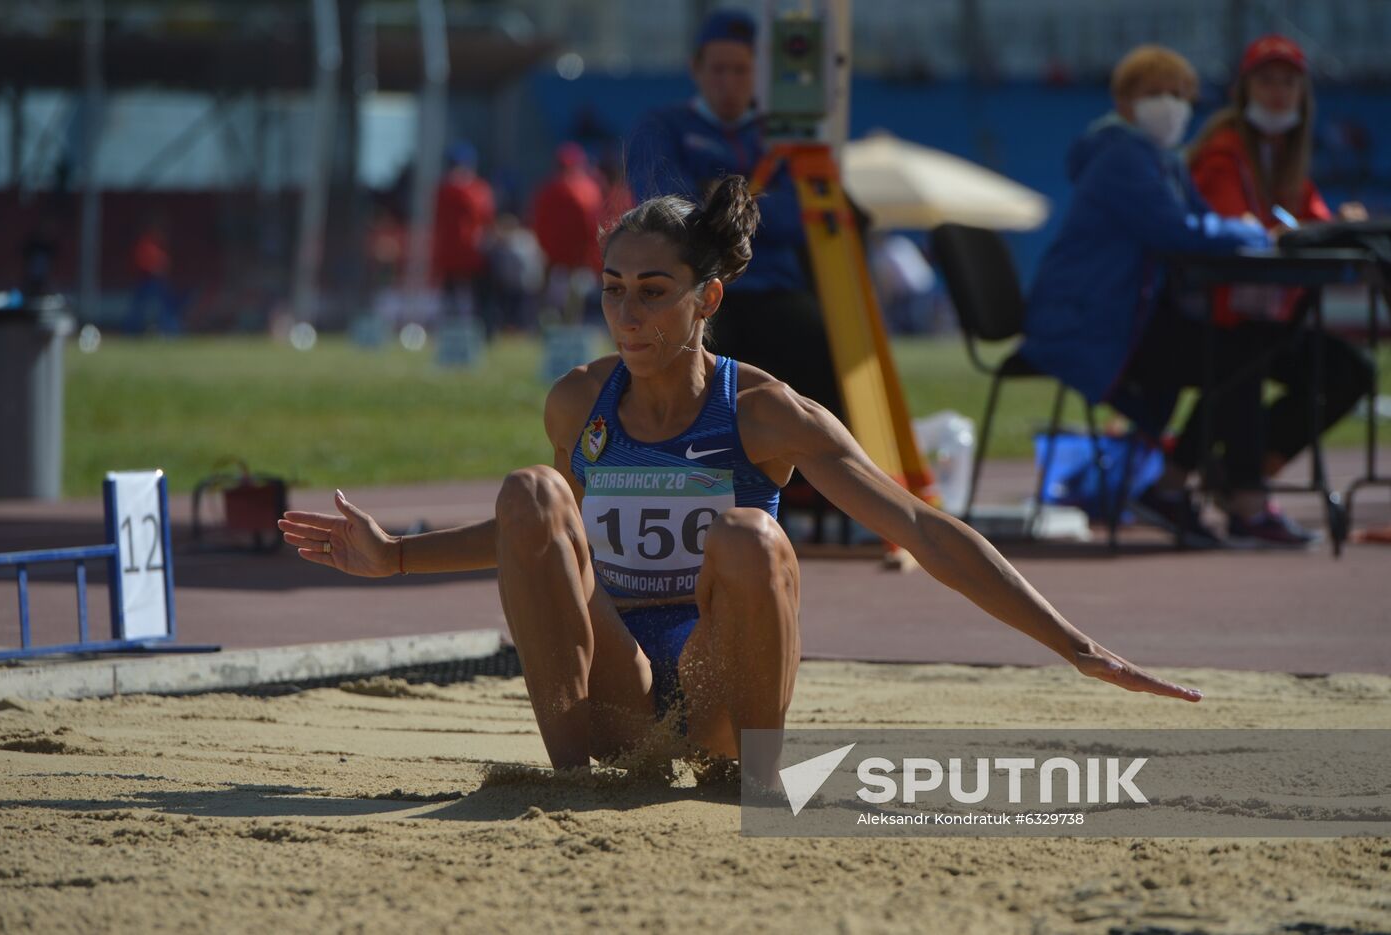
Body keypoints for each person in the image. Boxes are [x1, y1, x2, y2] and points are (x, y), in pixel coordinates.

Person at [279, 177, 1201, 785]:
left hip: (724, 685)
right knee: (531, 490)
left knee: (750, 537)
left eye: (653, 291)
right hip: (616, 683)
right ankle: (570, 785)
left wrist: (1074, 643)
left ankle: (757, 780)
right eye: (611, 288)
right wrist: (395, 556)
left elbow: (921, 530)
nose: (627, 313)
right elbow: (546, 542)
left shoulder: (765, 413)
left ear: (705, 298)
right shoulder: (577, 401)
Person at [1019, 45, 1311, 549]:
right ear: (1124, 100)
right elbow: (1179, 230)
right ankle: (1232, 500)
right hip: (1088, 325)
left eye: (1180, 94)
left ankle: (1185, 490)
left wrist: (1241, 231)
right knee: (1238, 354)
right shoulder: (1122, 153)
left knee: (1242, 348)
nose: (1170, 104)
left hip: (1123, 317)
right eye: (1154, 93)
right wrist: (1253, 234)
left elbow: (1203, 223)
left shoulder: (1162, 160)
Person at [1184, 34, 1373, 523]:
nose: (1278, 92)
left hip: (1270, 317)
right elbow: (1237, 229)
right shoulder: (1223, 152)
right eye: (1266, 80)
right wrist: (1309, 230)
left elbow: (1316, 221)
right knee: (1244, 359)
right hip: (1220, 313)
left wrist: (1340, 223)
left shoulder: (1287, 156)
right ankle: (1225, 484)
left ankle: (1240, 472)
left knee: (1351, 371)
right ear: (1244, 89)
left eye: (1289, 82)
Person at [624, 9, 842, 418]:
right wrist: (754, 205)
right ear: (696, 69)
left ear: (759, 72)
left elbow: (797, 220)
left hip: (775, 290)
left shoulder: (783, 136)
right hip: (700, 291)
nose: (729, 82)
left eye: (741, 70)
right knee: (693, 372)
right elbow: (673, 216)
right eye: (719, 69)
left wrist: (716, 198)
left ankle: (810, 482)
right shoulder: (660, 126)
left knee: (827, 351)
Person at [530, 143, 604, 324]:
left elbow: (538, 223)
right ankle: (567, 329)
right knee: (573, 301)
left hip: (554, 256)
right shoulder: (589, 188)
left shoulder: (549, 188)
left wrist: (545, 249)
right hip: (579, 257)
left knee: (552, 299)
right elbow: (593, 226)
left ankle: (552, 328)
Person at [431, 142, 496, 331]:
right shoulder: (477, 190)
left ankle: (450, 333)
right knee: (479, 298)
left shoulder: (443, 190)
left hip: (449, 254)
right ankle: (481, 332)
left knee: (451, 299)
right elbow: (487, 219)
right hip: (472, 254)